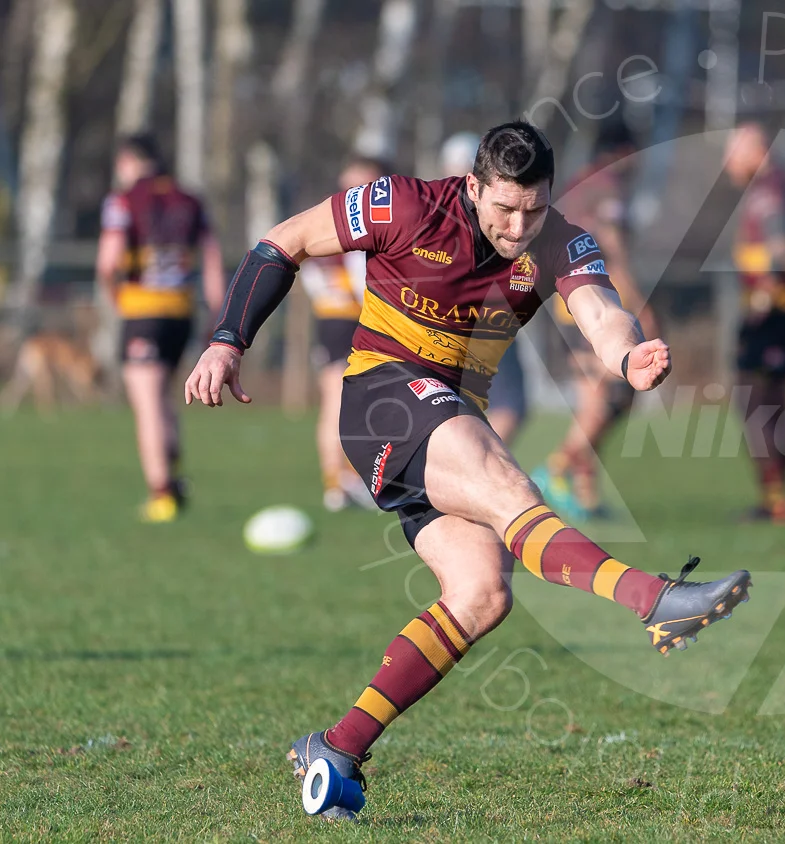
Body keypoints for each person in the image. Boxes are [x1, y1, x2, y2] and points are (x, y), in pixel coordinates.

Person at [182, 122, 752, 819]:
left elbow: (601, 312)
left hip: (451, 416)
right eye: (504, 207)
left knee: (483, 594)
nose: (518, 225)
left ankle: (337, 746)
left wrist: (628, 357)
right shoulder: (403, 205)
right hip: (383, 401)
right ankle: (651, 601)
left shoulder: (559, 240)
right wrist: (226, 341)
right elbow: (284, 241)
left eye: (533, 208)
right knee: (513, 488)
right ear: (473, 186)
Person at [532, 122, 659, 521]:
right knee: (604, 397)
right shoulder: (608, 187)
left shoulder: (579, 182)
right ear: (625, 152)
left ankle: (585, 493)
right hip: (591, 301)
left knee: (600, 398)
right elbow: (614, 253)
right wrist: (640, 305)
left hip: (566, 300)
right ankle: (555, 470)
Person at [97, 134, 224, 523]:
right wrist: (218, 317)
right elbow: (213, 261)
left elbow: (108, 262)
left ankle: (161, 492)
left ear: (129, 162)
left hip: (142, 312)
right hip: (181, 313)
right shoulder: (190, 200)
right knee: (164, 397)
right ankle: (173, 476)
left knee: (147, 403)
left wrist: (115, 295)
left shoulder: (123, 200)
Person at [724, 122, 785, 524]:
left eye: (733, 154)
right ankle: (777, 496)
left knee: (758, 402)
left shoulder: (768, 191)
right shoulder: (778, 185)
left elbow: (782, 250)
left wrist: (763, 297)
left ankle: (776, 498)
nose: (727, 164)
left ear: (755, 153)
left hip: (779, 311)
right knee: (768, 400)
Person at [300, 157, 386, 511]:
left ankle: (343, 482)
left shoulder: (329, 216)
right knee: (341, 401)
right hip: (351, 319)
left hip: (336, 318)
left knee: (346, 401)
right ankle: (340, 482)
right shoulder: (357, 220)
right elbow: (355, 273)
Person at [443, 132, 532, 444]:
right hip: (486, 322)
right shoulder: (493, 214)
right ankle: (477, 471)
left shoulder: (434, 211)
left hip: (442, 326)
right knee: (511, 405)